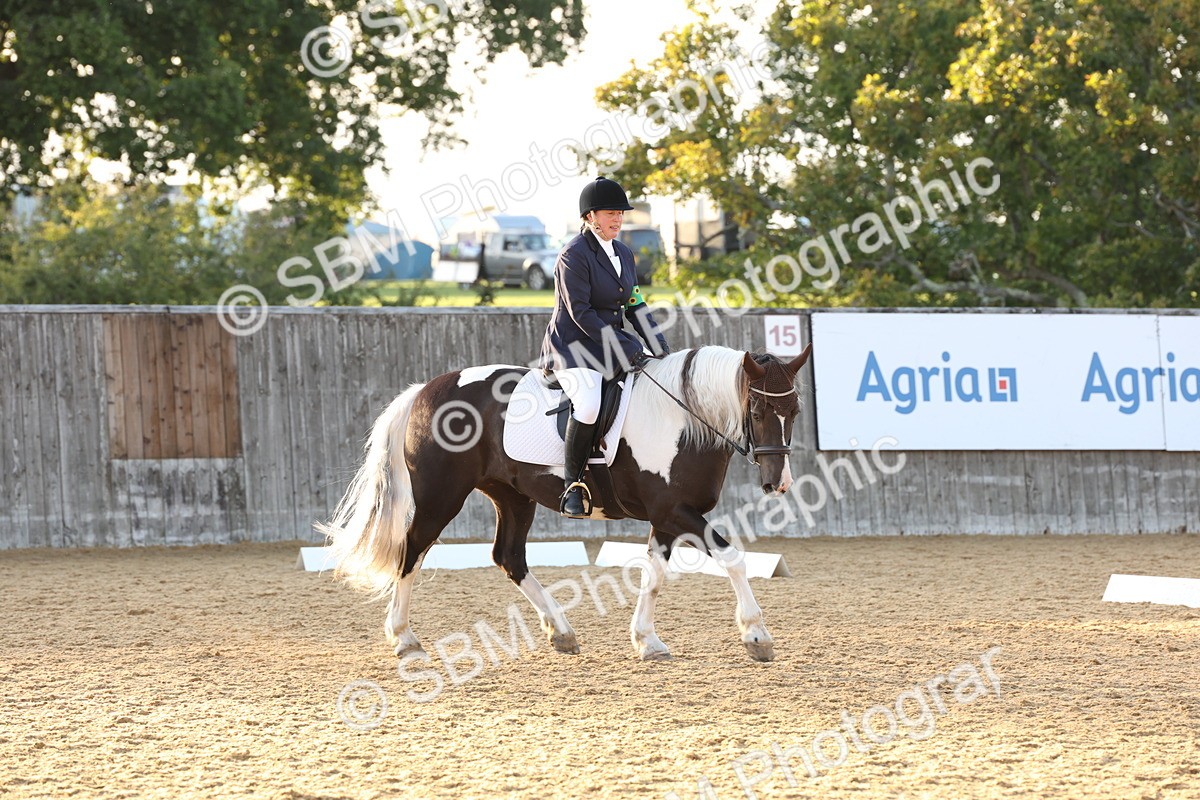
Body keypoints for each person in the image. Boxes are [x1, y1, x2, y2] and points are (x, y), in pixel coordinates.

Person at [540, 176, 670, 518]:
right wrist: (622, 346)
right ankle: (572, 485)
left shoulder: (624, 253)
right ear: (590, 217)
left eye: (621, 213)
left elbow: (635, 304)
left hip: (611, 345)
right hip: (574, 349)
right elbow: (581, 313)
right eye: (611, 213)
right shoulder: (573, 255)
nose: (618, 219)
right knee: (587, 405)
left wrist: (660, 348)